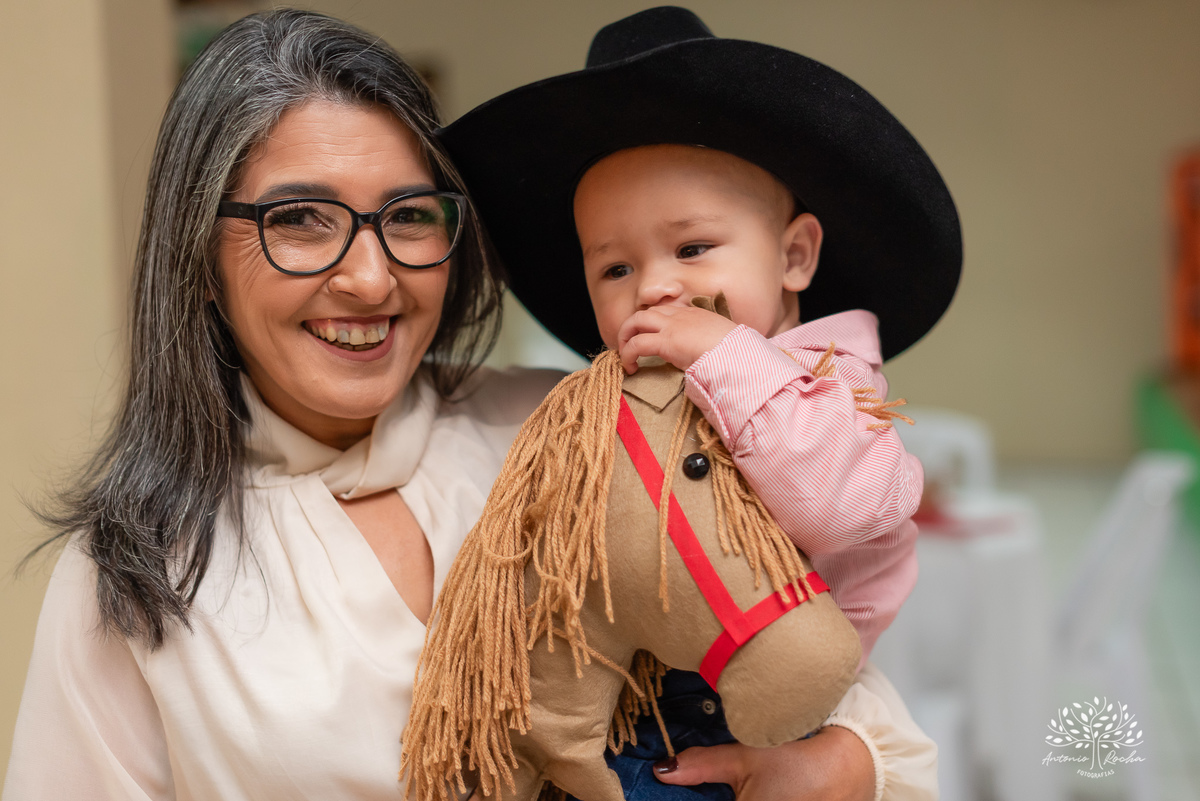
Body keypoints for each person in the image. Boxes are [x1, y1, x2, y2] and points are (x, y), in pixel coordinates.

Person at [4, 8, 934, 801]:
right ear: (200, 256)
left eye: (408, 216)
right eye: (299, 219)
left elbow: (845, 691)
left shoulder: (571, 433)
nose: (369, 278)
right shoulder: (132, 567)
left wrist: (843, 764)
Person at [437, 6, 962, 800]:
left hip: (782, 695)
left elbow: (835, 507)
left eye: (691, 248)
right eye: (614, 269)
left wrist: (724, 356)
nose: (654, 286)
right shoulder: (610, 397)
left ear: (794, 254)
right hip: (634, 690)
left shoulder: (834, 380)